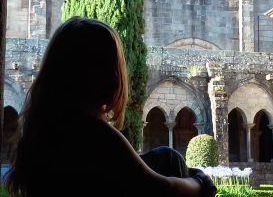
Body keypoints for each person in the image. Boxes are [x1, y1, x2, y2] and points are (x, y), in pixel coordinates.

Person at [5, 17, 216, 197]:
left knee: (164, 157)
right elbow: (161, 188)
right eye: (112, 66)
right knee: (169, 161)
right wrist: (200, 183)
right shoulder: (94, 134)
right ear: (107, 78)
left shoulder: (44, 131)